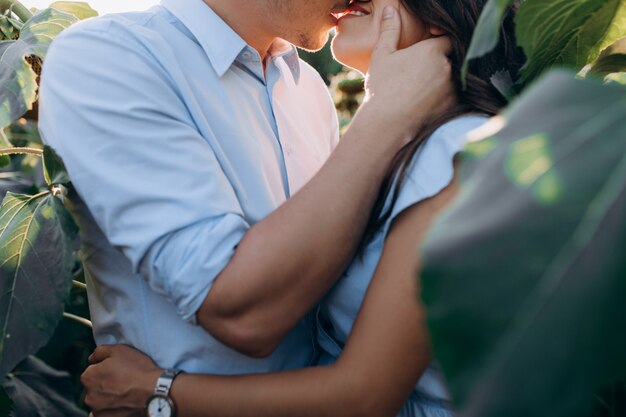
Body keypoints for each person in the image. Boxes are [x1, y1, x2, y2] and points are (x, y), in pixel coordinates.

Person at [80, 0, 525, 416]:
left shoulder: (456, 155)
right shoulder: (405, 143)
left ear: (440, 13)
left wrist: (159, 391)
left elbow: (364, 396)